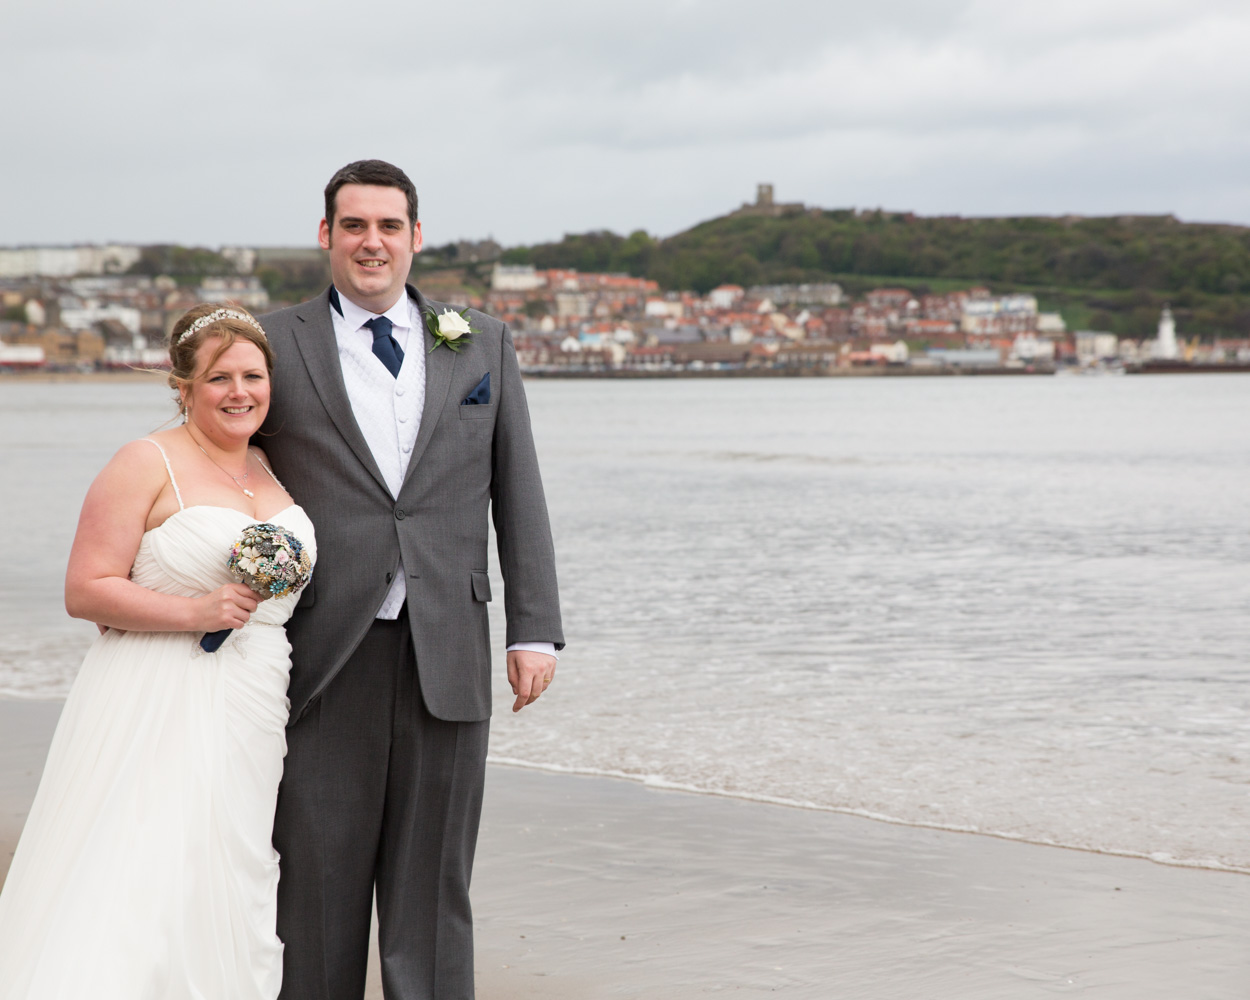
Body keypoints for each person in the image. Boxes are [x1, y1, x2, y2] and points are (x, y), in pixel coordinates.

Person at [259, 159, 564, 1000]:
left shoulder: (482, 340)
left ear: (416, 237)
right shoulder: (272, 343)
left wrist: (534, 629)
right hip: (320, 653)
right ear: (326, 235)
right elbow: (225, 471)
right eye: (354, 225)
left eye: (389, 226)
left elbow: (518, 486)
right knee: (315, 891)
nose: (373, 242)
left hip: (448, 650)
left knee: (433, 895)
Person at [0, 304, 315, 999]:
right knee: (145, 866)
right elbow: (85, 590)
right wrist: (194, 612)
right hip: (159, 691)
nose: (239, 392)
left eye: (253, 376)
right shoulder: (146, 461)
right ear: (183, 386)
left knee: (228, 863)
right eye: (219, 378)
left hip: (257, 697)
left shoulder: (270, 467)